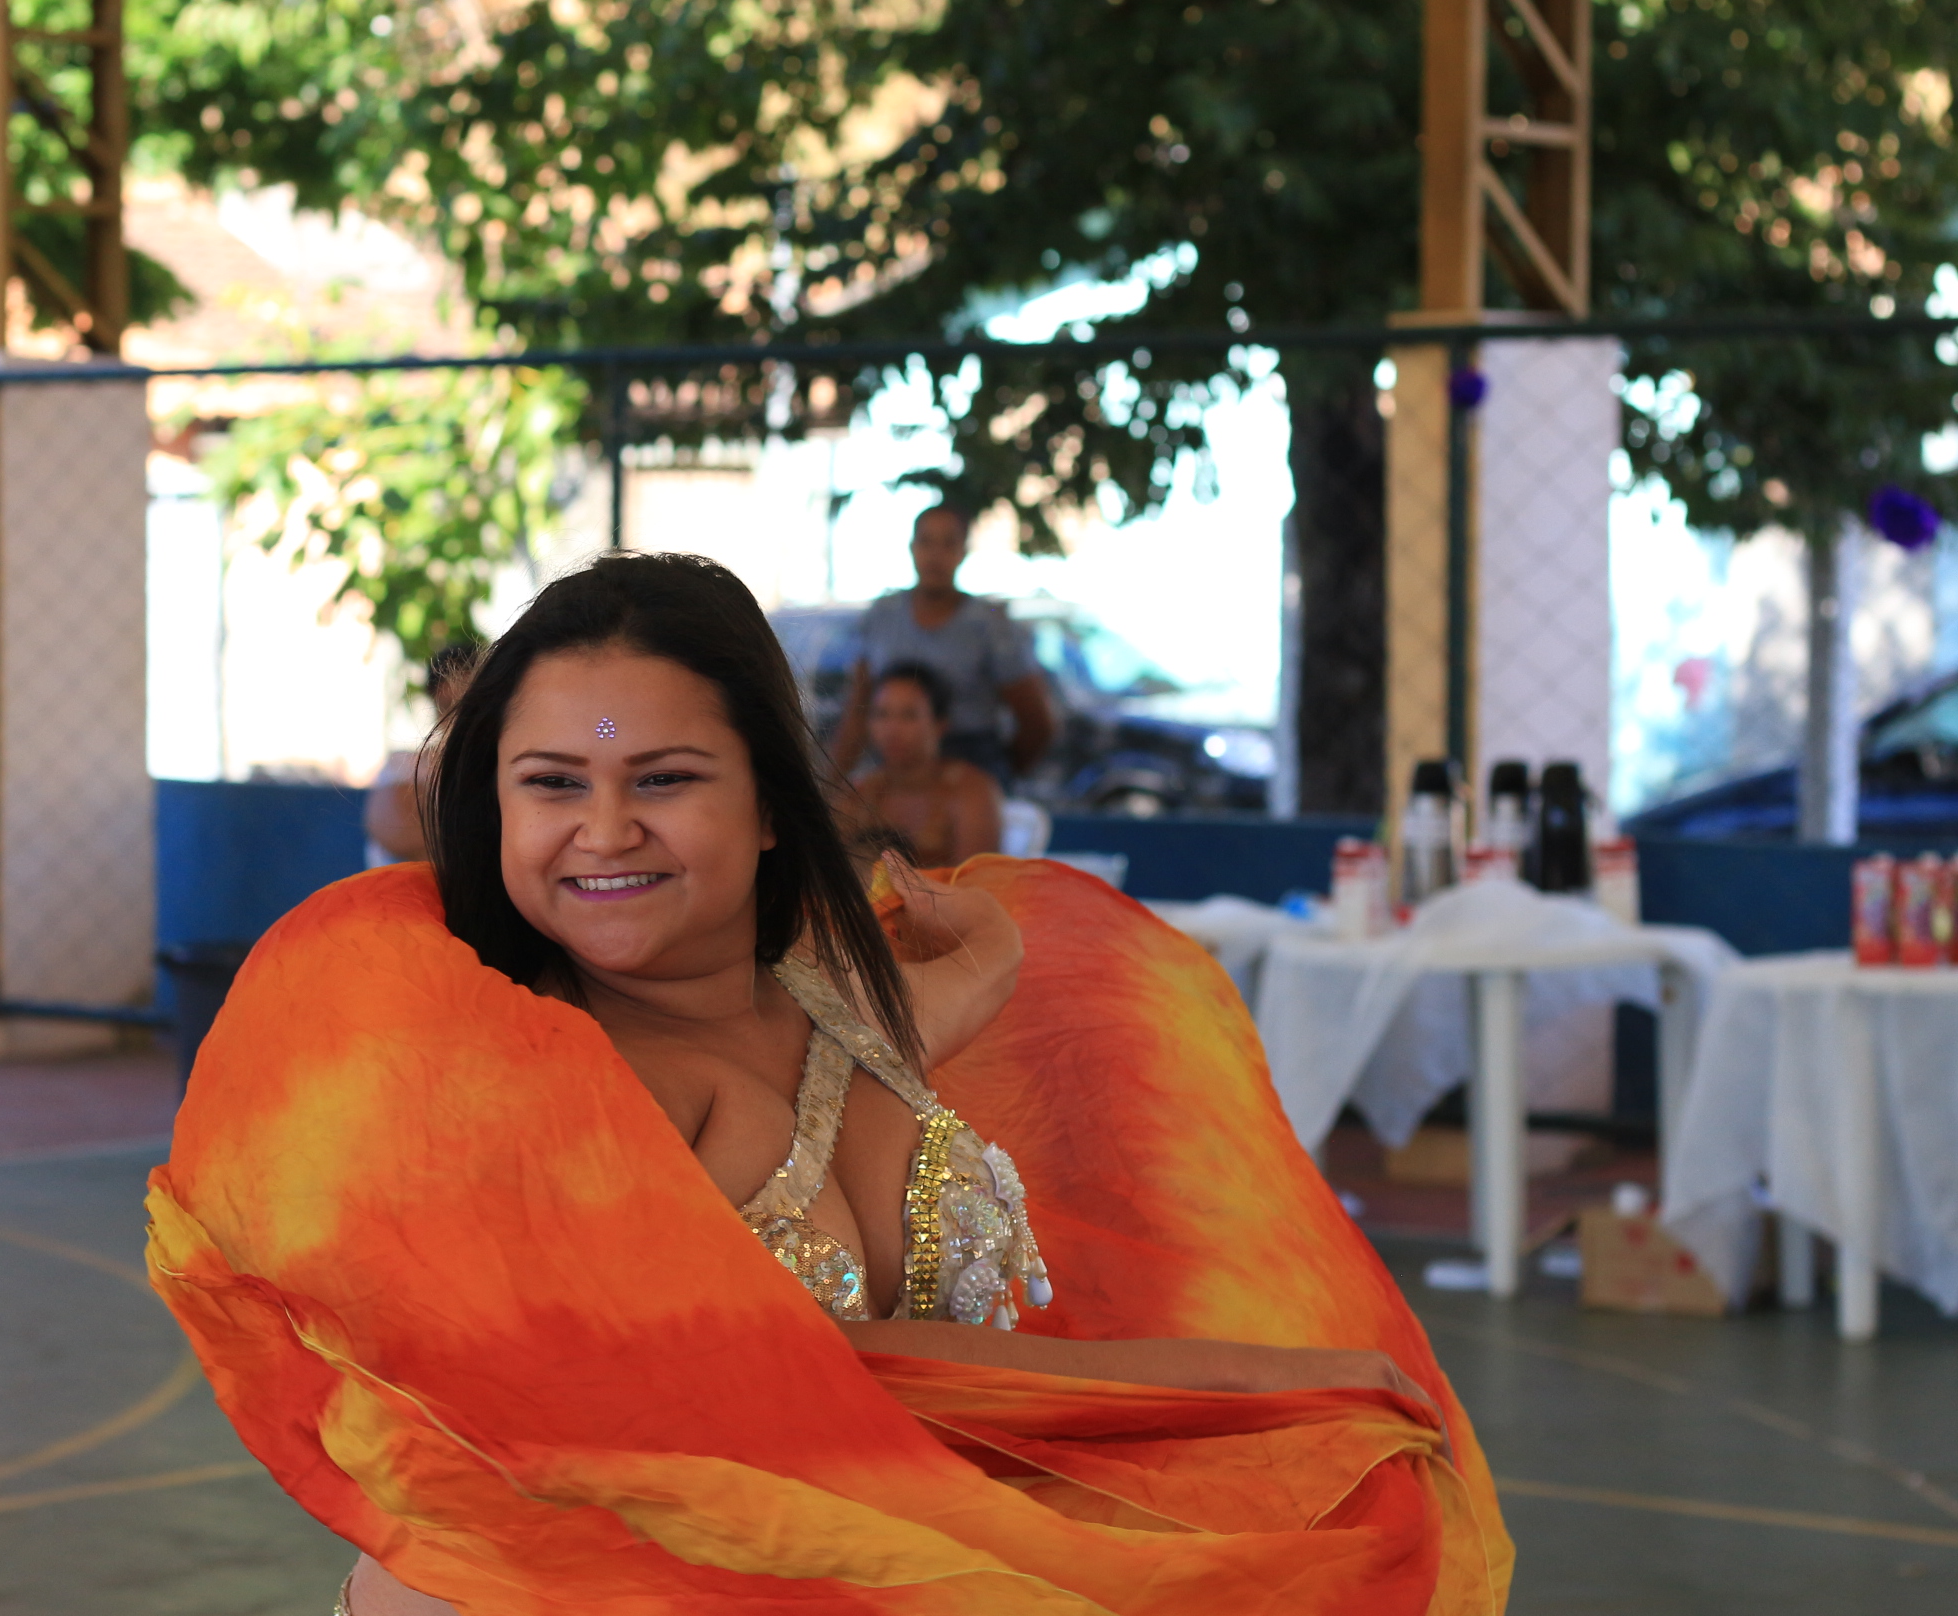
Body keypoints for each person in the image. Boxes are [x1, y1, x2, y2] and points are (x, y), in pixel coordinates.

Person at [149, 553, 1501, 1615]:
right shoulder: (553, 1086)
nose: (604, 830)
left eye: (665, 779)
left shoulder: (817, 1004)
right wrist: (1250, 1390)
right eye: (553, 783)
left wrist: (1006, 949)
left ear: (771, 804)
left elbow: (897, 1032)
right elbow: (822, 1385)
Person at [830, 502, 1053, 782]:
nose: (935, 554)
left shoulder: (990, 623)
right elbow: (858, 708)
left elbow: (1037, 722)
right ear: (912, 548)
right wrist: (834, 783)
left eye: (948, 543)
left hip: (970, 765)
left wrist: (997, 780)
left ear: (963, 552)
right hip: (894, 770)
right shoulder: (882, 615)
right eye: (926, 541)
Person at [846, 660, 1005, 867]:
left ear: (940, 724)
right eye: (881, 714)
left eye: (909, 715)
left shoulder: (973, 791)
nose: (892, 730)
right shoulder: (859, 794)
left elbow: (976, 882)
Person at [362, 643, 477, 864]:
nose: (460, 719)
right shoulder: (404, 767)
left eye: (472, 706)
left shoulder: (504, 768)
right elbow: (397, 834)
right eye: (449, 705)